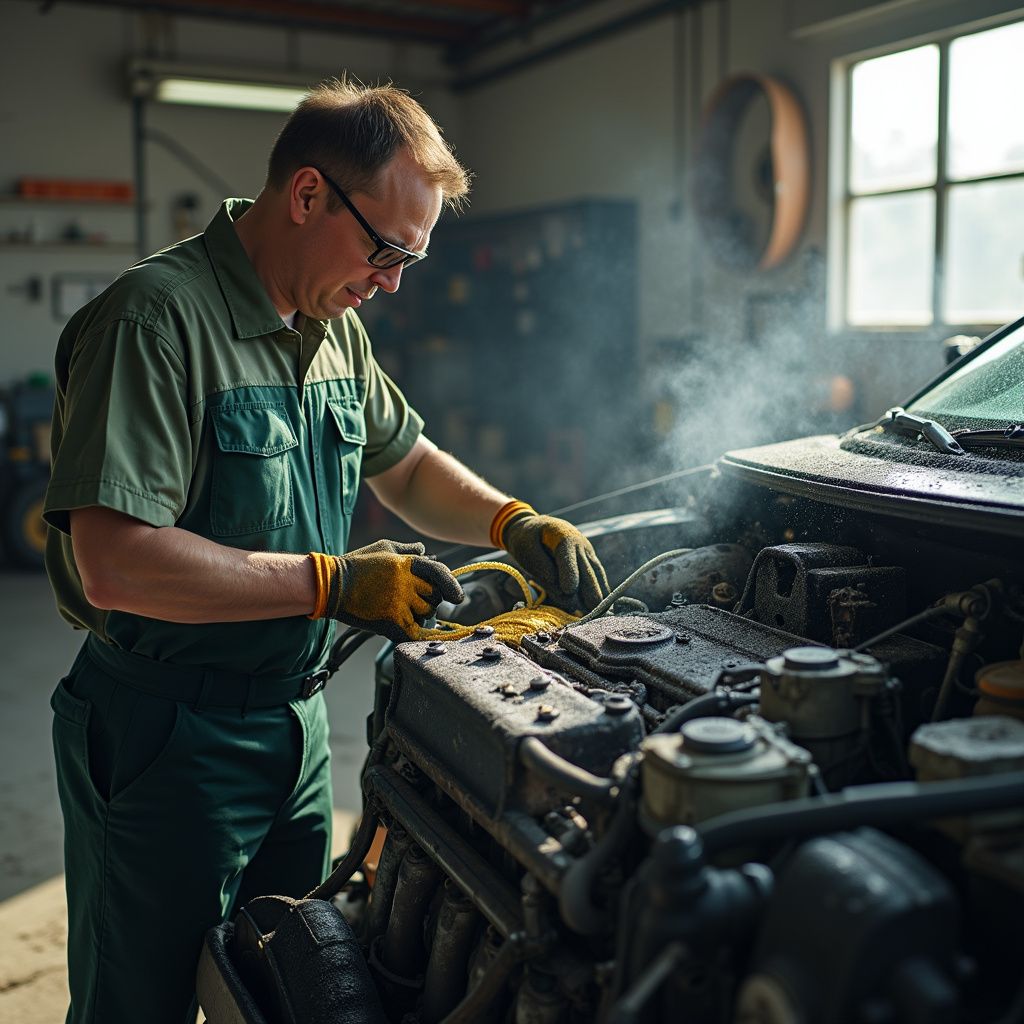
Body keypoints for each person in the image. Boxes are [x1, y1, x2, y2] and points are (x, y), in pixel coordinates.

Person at [43, 78, 609, 1024]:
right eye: (385, 248)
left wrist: (510, 518)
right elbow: (118, 561)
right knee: (133, 1004)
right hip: (165, 735)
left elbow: (407, 464)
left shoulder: (332, 325)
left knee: (287, 985)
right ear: (307, 195)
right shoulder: (155, 322)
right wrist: (335, 582)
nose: (391, 280)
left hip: (295, 727)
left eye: (409, 260)